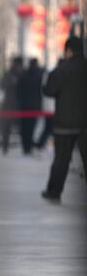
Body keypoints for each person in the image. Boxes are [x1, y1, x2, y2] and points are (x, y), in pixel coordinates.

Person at [41, 36, 87, 203]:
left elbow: (48, 90)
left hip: (65, 123)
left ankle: (54, 192)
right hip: (85, 124)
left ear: (68, 51)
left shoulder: (63, 69)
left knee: (61, 159)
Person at [17, 58, 43, 155]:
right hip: (34, 106)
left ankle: (25, 147)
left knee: (24, 127)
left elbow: (19, 91)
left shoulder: (23, 75)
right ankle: (29, 147)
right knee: (31, 127)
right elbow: (40, 92)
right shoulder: (39, 76)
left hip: (24, 106)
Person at [0, 57, 23, 154]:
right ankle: (25, 147)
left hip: (8, 104)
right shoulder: (21, 74)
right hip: (18, 104)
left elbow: (2, 85)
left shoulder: (9, 73)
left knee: (6, 127)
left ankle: (5, 147)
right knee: (20, 127)